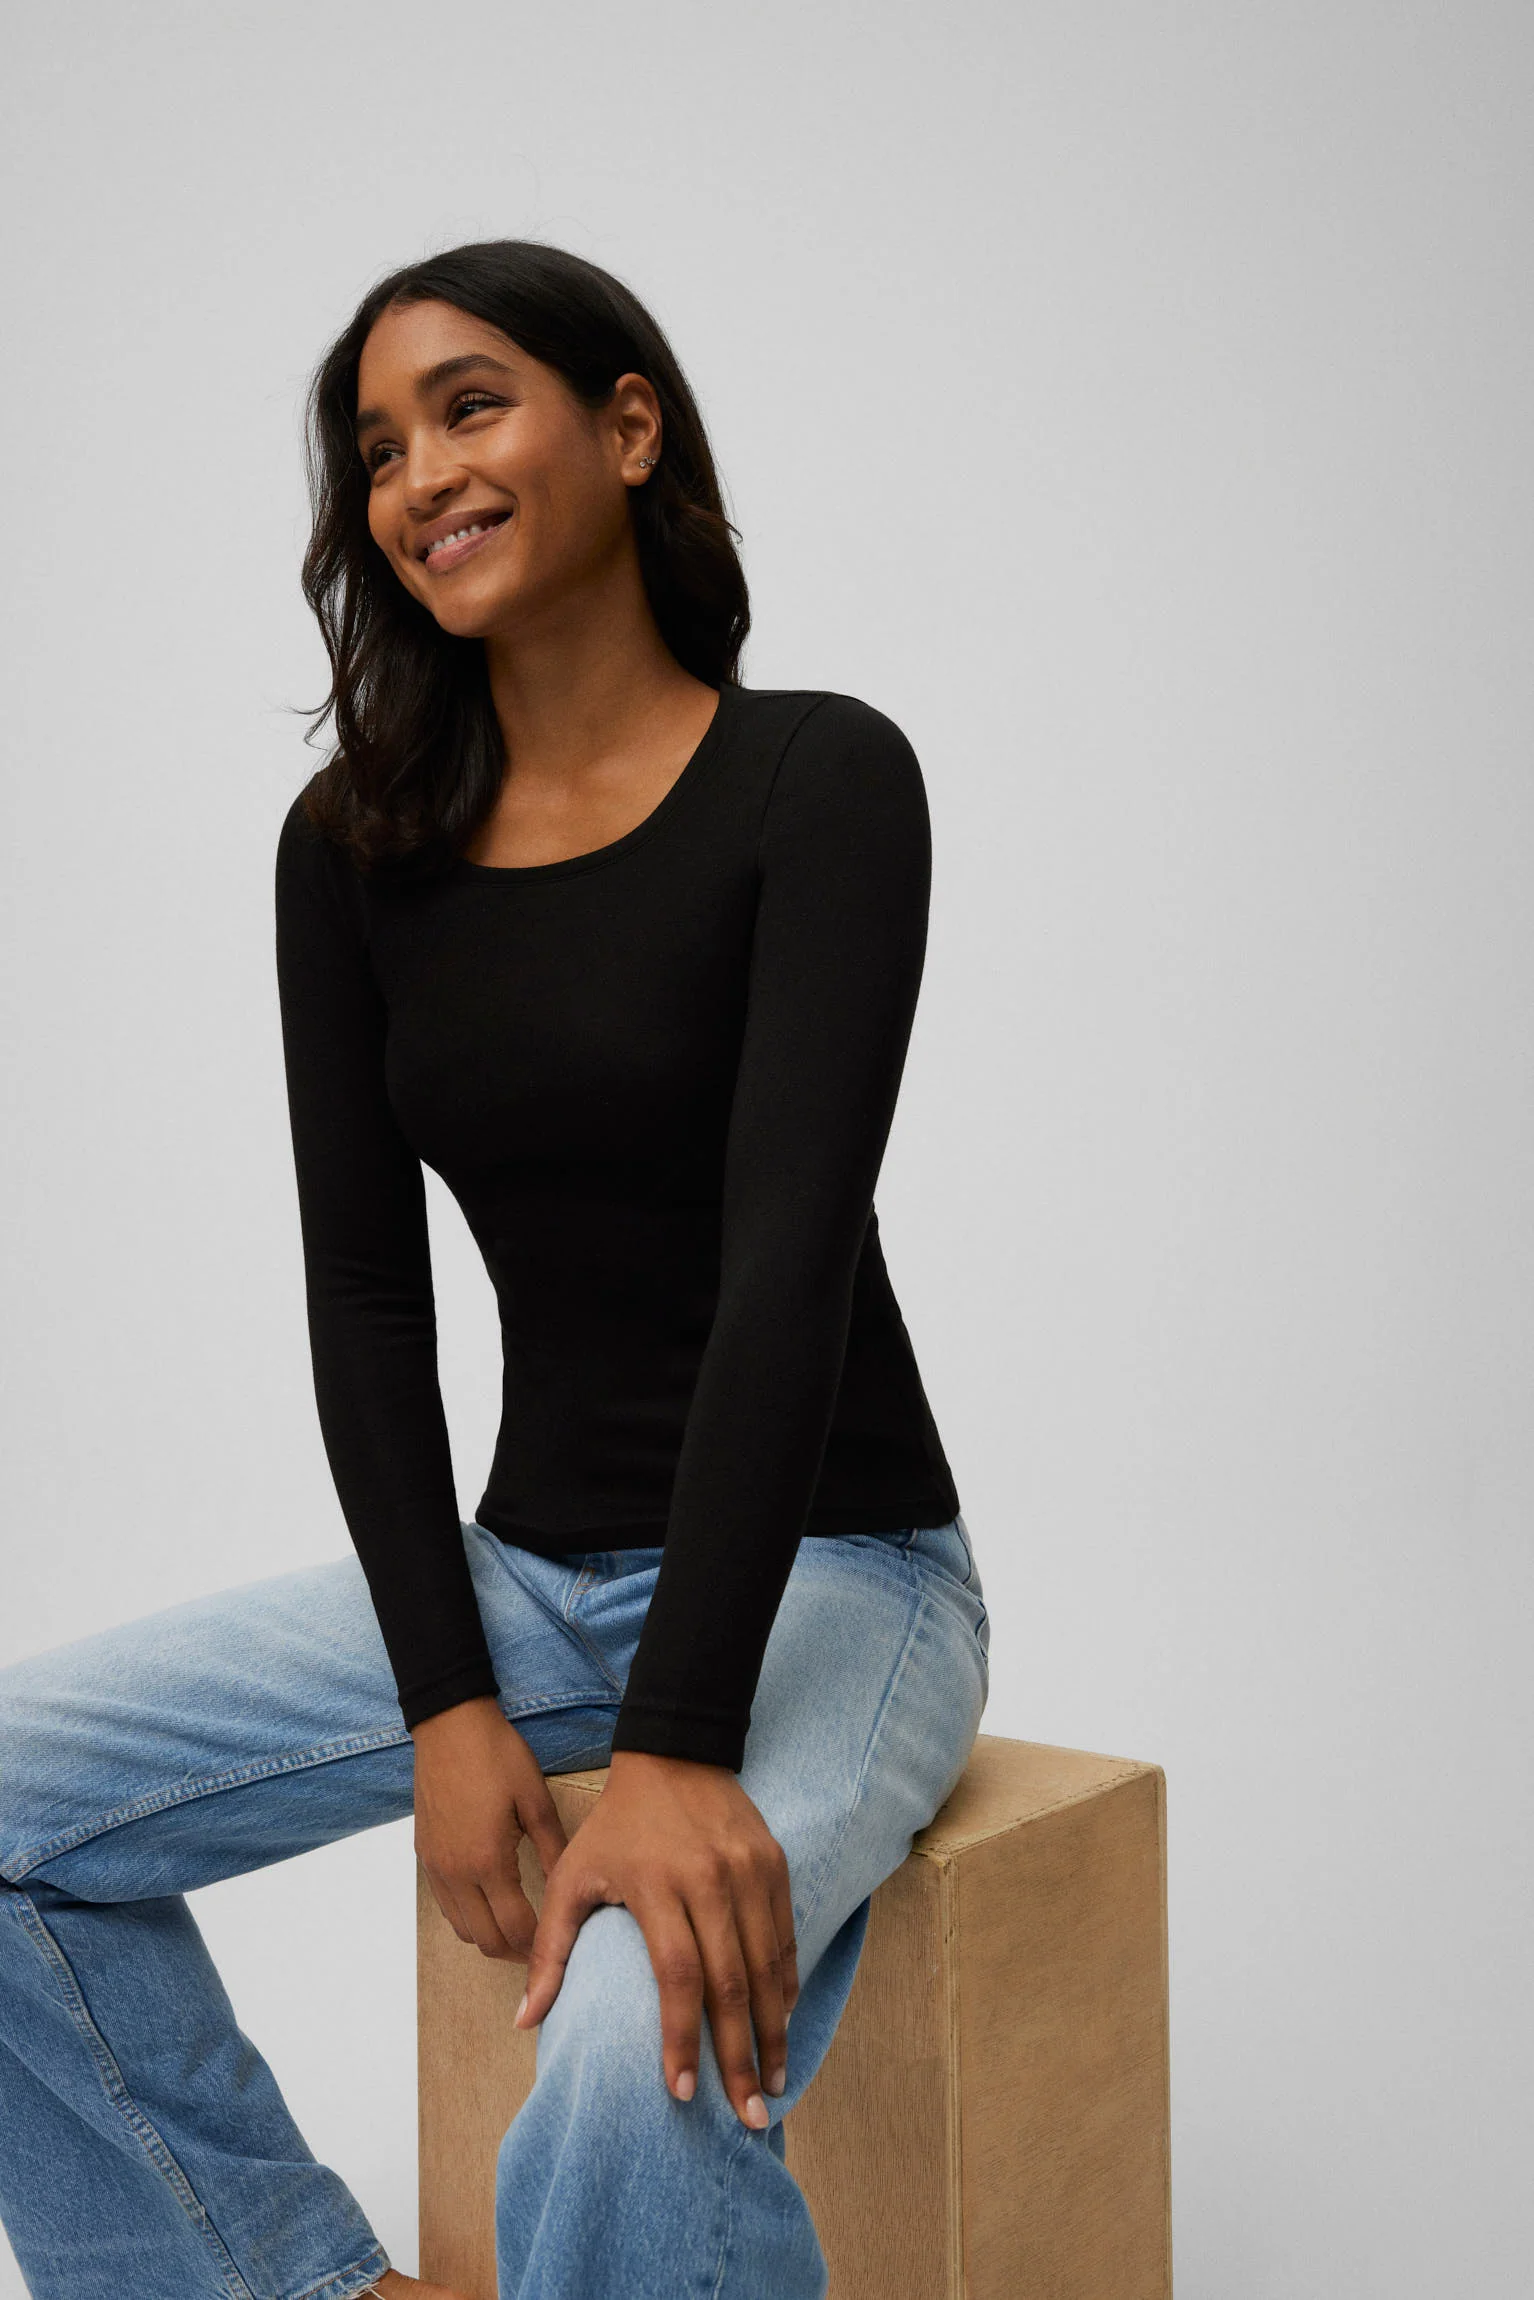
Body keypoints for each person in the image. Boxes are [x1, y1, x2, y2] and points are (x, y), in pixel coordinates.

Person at [0, 239, 991, 2300]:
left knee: (638, 2047)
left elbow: (788, 1267)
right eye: (376, 448)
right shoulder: (351, 851)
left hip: (838, 1572)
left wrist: (674, 1745)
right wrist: (449, 1694)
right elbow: (367, 1298)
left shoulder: (819, 781)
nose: (417, 475)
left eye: (468, 406)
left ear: (626, 429)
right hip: (532, 1579)